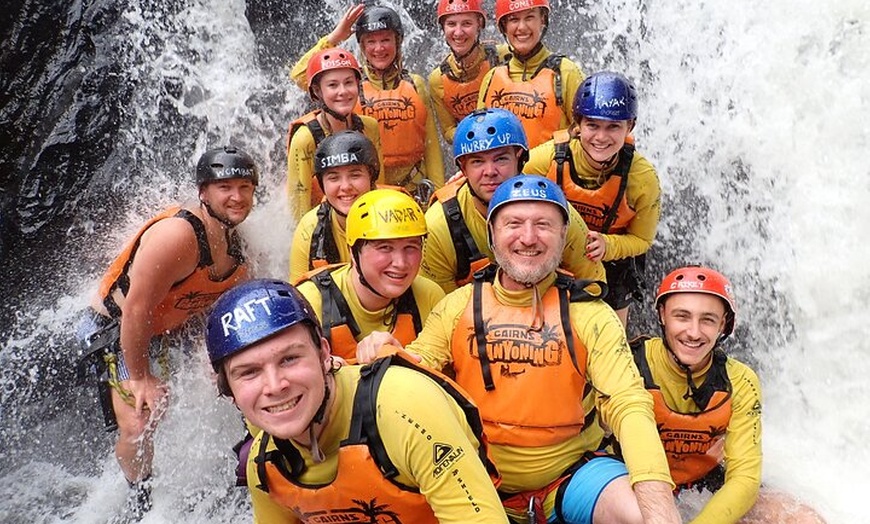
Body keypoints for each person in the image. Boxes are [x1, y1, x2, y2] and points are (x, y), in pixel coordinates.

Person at [358, 174, 681, 524]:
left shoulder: (591, 314)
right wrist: (383, 350)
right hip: (476, 480)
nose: (528, 238)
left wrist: (659, 514)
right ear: (492, 235)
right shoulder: (456, 306)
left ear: (563, 237)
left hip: (571, 477)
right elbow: (414, 372)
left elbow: (629, 405)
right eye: (514, 224)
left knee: (635, 515)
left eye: (544, 225)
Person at [203, 278, 510, 523]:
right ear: (229, 391)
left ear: (325, 354)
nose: (275, 385)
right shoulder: (265, 465)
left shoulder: (405, 408)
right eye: (249, 372)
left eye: (290, 359)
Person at [78, 146, 257, 521]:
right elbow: (136, 309)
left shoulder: (237, 242)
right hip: (118, 327)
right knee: (141, 420)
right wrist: (140, 377)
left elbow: (219, 303)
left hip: (178, 323)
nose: (236, 196)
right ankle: (140, 500)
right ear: (203, 193)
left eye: (244, 187)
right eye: (224, 186)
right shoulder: (177, 235)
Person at [631, 266, 827, 524]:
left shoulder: (741, 380)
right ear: (662, 315)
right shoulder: (629, 361)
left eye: (708, 320)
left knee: (803, 518)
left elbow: (744, 477)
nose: (693, 332)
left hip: (703, 482)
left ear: (723, 324)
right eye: (682, 316)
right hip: (635, 482)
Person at [525, 71, 661, 327]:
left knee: (612, 336)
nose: (601, 137)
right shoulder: (547, 159)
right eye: (592, 125)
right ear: (578, 124)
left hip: (612, 265)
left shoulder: (642, 178)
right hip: (556, 256)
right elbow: (507, 182)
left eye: (613, 127)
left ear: (629, 127)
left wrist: (607, 246)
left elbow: (643, 240)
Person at [421, 108, 605, 294]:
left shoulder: (556, 214)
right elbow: (438, 310)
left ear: (519, 159)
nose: (490, 171)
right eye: (477, 162)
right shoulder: (438, 226)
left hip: (549, 315)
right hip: (473, 317)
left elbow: (594, 286)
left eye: (501, 159)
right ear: (464, 169)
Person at [290, 4, 444, 196]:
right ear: (362, 46)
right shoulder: (349, 87)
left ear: (397, 42)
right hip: (363, 188)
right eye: (370, 41)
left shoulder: (416, 84)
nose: (379, 48)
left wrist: (439, 194)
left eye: (386, 40)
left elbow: (431, 146)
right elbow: (299, 77)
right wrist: (334, 38)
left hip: (414, 187)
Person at [295, 188, 445, 361]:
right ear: (353, 252)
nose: (401, 263)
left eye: (411, 247)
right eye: (384, 248)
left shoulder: (430, 296)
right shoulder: (309, 303)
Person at [286, 46, 383, 221]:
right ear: (317, 91)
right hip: (324, 225)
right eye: (332, 85)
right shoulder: (305, 139)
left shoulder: (369, 127)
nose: (343, 91)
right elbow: (299, 207)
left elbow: (377, 186)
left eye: (349, 83)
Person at [476, 0, 586, 149]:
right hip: (504, 172)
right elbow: (479, 140)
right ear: (504, 27)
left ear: (542, 20)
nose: (522, 27)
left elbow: (588, 135)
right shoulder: (491, 77)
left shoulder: (566, 72)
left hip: (551, 171)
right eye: (514, 19)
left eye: (529, 18)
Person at [289, 130, 379, 282]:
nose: (345, 186)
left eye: (355, 175)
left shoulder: (397, 213)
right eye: (334, 177)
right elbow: (298, 295)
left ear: (371, 178)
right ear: (322, 185)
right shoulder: (309, 229)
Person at [428, 0, 509, 144]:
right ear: (443, 28)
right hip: (473, 147)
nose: (458, 32)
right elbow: (448, 131)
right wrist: (477, 133)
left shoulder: (503, 56)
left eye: (466, 23)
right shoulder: (438, 79)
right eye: (451, 24)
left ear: (479, 25)